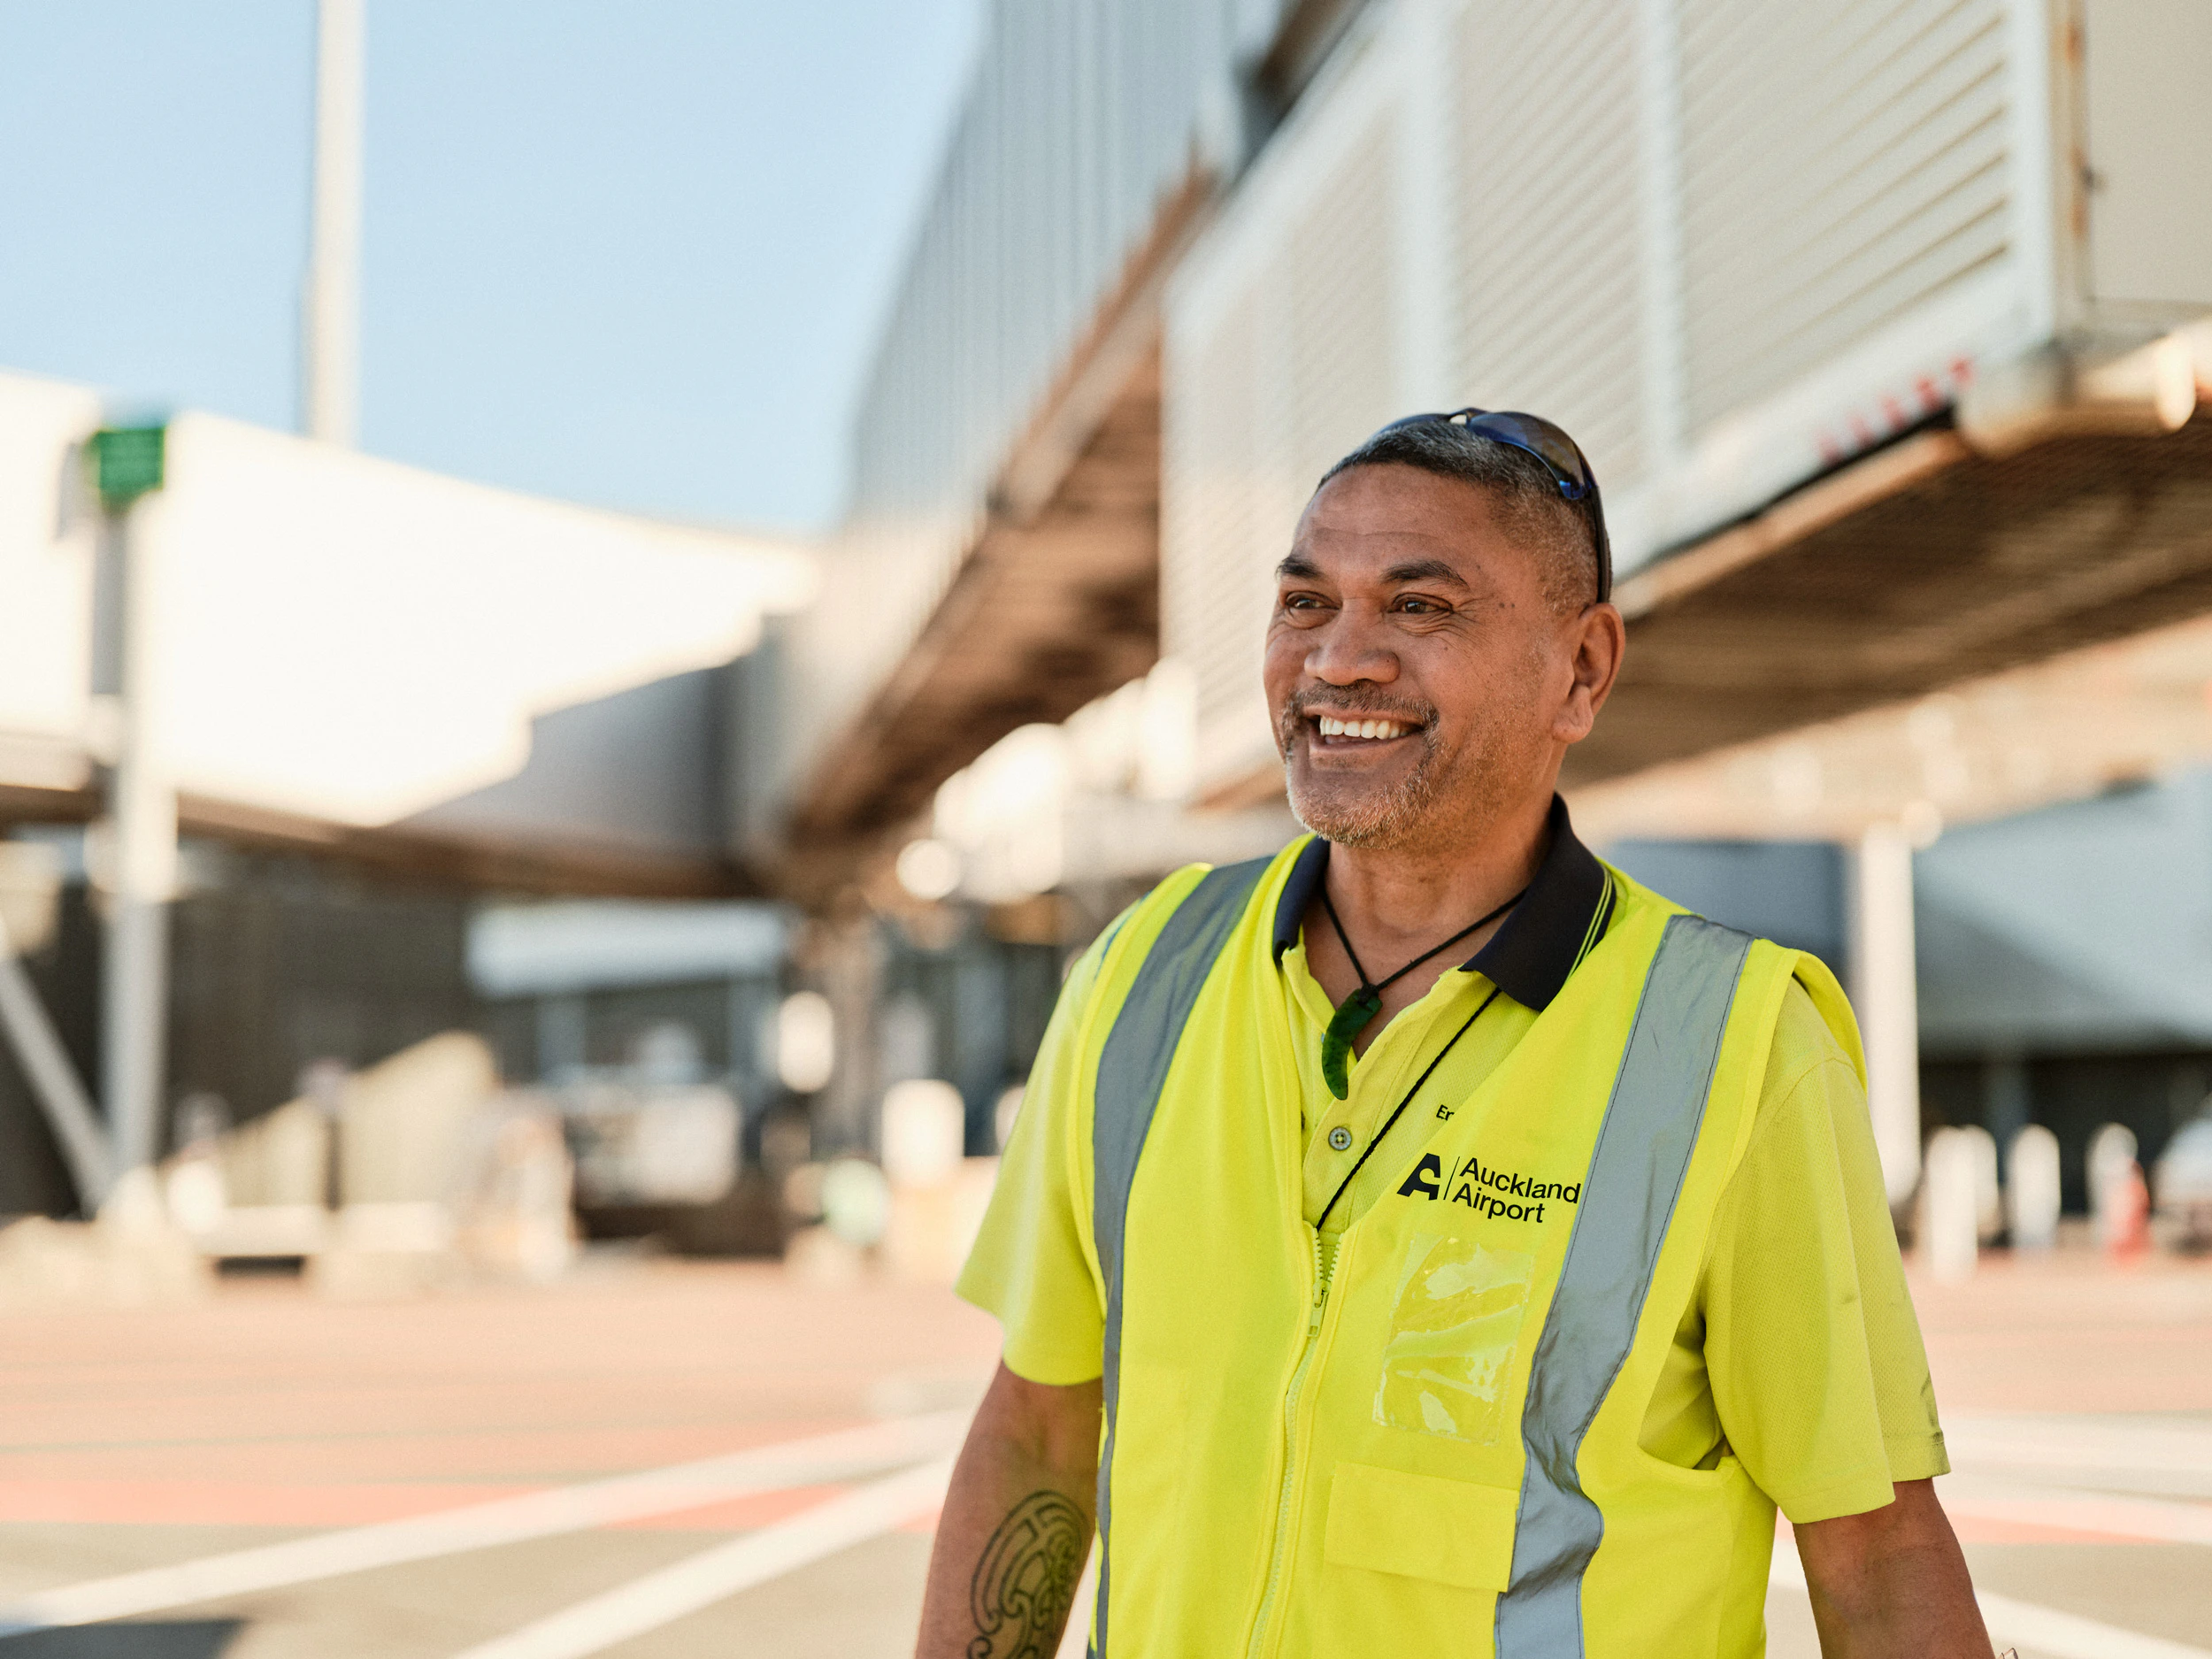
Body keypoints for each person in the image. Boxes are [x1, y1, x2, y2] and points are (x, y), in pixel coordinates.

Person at [915, 411, 1992, 1658]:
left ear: (1580, 670)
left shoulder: (1735, 1048)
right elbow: (1040, 1426)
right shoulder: (1140, 978)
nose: (1341, 659)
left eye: (1420, 608)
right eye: (1306, 603)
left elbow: (1876, 1548)